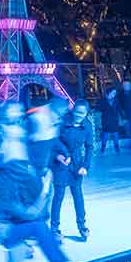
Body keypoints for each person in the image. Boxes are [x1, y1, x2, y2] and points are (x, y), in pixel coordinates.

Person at [0, 103, 68, 262]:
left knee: (35, 215)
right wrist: (44, 189)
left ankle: (27, 247)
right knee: (37, 225)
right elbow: (29, 213)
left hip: (12, 199)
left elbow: (38, 146)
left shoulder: (20, 134)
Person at [51, 100, 93, 241]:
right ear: (73, 110)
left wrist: (85, 166)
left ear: (87, 113)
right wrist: (61, 154)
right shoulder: (63, 121)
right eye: (76, 112)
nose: (78, 115)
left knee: (77, 194)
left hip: (76, 162)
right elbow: (54, 139)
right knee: (59, 195)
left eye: (82, 113)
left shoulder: (87, 125)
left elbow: (90, 147)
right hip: (61, 160)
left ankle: (82, 226)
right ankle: (54, 229)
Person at [97, 88, 122, 154]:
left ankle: (117, 147)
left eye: (115, 93)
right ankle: (103, 148)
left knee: (115, 134)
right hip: (106, 120)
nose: (114, 94)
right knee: (105, 135)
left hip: (114, 120)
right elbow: (100, 108)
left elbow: (119, 109)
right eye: (113, 92)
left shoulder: (116, 100)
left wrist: (120, 116)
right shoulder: (103, 100)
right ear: (109, 93)